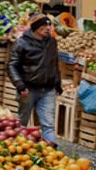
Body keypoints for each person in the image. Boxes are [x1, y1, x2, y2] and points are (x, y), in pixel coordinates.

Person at [7, 14, 62, 146]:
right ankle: (17, 148)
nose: (48, 29)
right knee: (22, 122)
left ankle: (52, 152)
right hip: (28, 89)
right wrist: (19, 85)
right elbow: (11, 65)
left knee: (48, 124)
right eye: (44, 26)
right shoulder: (21, 43)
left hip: (48, 89)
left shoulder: (52, 42)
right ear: (36, 28)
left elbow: (54, 64)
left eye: (49, 26)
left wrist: (57, 83)